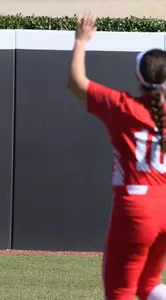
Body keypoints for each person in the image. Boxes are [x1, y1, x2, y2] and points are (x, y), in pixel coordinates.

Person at [67, 10, 166, 300]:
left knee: (120, 291)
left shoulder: (124, 107)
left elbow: (75, 82)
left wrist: (82, 41)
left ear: (139, 76)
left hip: (137, 208)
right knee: (149, 285)